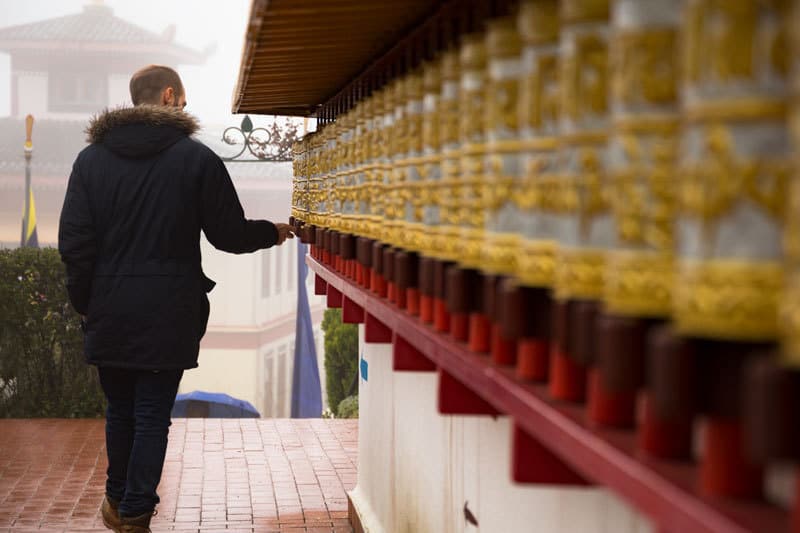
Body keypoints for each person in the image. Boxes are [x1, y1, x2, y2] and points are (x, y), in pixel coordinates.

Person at [58, 65, 294, 533]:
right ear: (169, 95)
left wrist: (86, 301)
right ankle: (134, 511)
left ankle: (117, 497)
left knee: (120, 409)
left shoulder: (90, 162)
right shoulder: (196, 159)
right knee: (150, 414)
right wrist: (274, 232)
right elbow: (227, 235)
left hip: (110, 307)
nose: (184, 108)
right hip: (170, 309)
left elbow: (75, 244)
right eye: (182, 102)